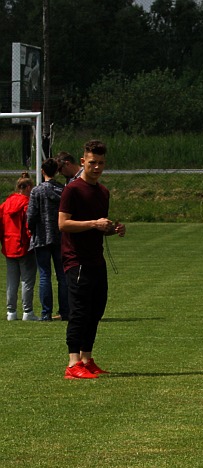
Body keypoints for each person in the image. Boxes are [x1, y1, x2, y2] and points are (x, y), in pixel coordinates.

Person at [58, 140, 126, 380]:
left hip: (96, 260)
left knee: (96, 311)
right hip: (76, 260)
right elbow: (63, 223)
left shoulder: (103, 192)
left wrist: (111, 228)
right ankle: (72, 362)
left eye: (101, 163)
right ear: (83, 161)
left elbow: (98, 226)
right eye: (92, 162)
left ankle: (87, 359)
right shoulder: (72, 189)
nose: (97, 167)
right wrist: (93, 224)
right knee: (79, 311)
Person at [27, 158, 68, 321]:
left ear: (43, 171)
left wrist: (31, 229)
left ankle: (46, 313)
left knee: (44, 275)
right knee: (62, 276)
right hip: (60, 236)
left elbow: (31, 215)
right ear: (57, 171)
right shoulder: (63, 190)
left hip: (42, 236)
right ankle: (65, 311)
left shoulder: (37, 191)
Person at [3, 173, 38, 321]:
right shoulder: (27, 203)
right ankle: (27, 311)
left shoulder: (5, 204)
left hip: (8, 245)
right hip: (23, 245)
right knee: (27, 280)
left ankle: (11, 311)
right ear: (28, 187)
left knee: (12, 281)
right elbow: (29, 225)